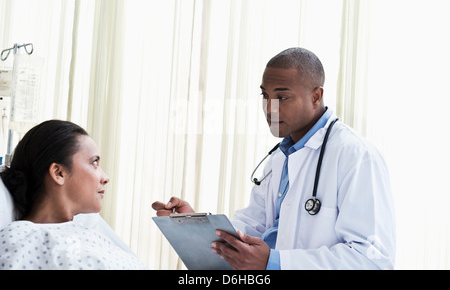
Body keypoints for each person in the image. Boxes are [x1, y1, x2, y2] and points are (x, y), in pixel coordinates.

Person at [152, 47, 396, 270]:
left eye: (282, 97)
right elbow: (251, 233)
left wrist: (275, 262)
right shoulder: (279, 159)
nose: (270, 108)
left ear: (316, 96)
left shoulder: (356, 156)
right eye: (265, 96)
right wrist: (196, 228)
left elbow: (372, 260)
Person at [0, 120, 147, 270]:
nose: (105, 177)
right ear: (59, 173)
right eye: (94, 162)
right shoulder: (21, 240)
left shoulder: (92, 236)